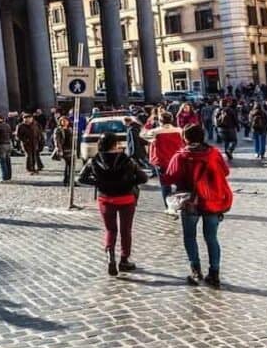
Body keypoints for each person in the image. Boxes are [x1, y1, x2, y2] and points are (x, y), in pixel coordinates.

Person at [164, 124, 233, 289]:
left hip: (190, 201)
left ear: (185, 138)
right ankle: (214, 273)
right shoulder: (214, 154)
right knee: (211, 238)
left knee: (190, 236)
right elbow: (225, 172)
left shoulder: (181, 156)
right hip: (211, 200)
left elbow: (169, 177)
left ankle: (196, 271)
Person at [78, 132, 147, 276]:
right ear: (115, 144)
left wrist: (99, 183)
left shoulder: (94, 160)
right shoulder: (126, 160)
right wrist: (128, 183)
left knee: (111, 230)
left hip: (106, 198)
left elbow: (81, 179)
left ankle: (110, 257)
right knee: (125, 230)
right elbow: (143, 177)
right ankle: (124, 260)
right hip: (126, 198)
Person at [141, 112, 184, 215]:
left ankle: (169, 207)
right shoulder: (179, 130)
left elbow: (142, 134)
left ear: (160, 121)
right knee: (179, 184)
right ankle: (179, 204)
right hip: (177, 160)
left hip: (162, 161)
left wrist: (149, 123)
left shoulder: (156, 131)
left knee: (165, 185)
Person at [53, 117, 74, 186]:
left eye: (66, 121)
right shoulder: (58, 130)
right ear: (60, 122)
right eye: (63, 121)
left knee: (70, 165)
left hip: (70, 149)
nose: (65, 122)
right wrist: (59, 150)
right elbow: (57, 141)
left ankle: (68, 180)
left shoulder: (70, 129)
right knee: (69, 165)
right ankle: (68, 181)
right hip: (64, 149)